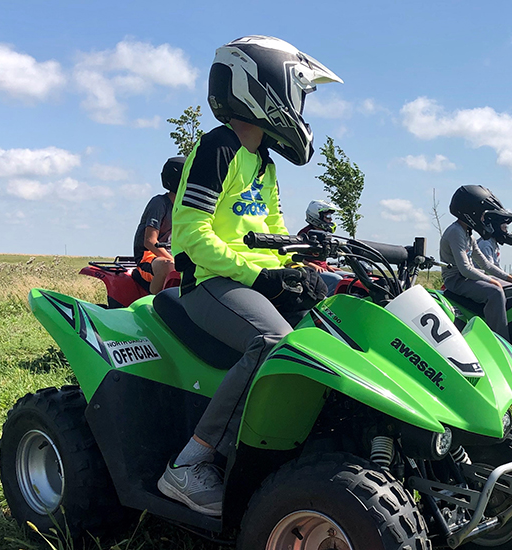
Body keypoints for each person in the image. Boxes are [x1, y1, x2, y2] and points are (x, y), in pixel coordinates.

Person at [159, 35, 340, 516]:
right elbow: (191, 236)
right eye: (297, 93)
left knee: (338, 323)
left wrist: (297, 269)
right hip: (210, 283)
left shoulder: (262, 162)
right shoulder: (216, 149)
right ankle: (190, 463)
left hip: (250, 278)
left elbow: (275, 229)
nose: (299, 107)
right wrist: (257, 277)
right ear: (263, 88)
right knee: (274, 343)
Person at [440, 185, 512, 339]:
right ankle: (501, 340)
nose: (484, 219)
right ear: (471, 212)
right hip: (456, 280)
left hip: (467, 277)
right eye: (483, 215)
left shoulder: (468, 234)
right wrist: (491, 281)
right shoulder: (455, 232)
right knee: (494, 292)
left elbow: (486, 265)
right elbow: (465, 269)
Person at [133, 157, 184, 294]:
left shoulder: (184, 208)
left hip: (171, 254)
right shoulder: (159, 203)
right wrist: (173, 260)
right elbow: (150, 241)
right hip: (148, 256)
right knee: (167, 267)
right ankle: (154, 306)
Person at [298, 200, 345, 294]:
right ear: (316, 216)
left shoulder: (324, 235)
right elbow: (296, 256)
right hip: (309, 270)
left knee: (350, 277)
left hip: (323, 268)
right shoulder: (305, 234)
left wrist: (328, 266)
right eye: (327, 216)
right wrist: (312, 265)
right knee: (337, 280)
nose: (331, 219)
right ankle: (325, 305)